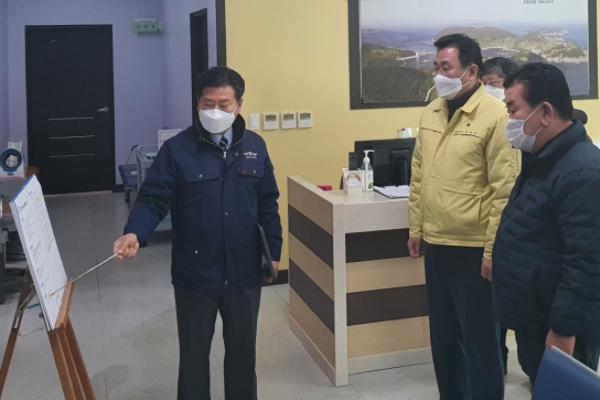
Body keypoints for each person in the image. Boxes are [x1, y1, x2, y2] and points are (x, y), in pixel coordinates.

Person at [113, 66, 282, 400]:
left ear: (239, 105)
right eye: (207, 104)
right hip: (195, 274)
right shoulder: (177, 150)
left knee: (243, 357)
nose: (215, 111)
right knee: (193, 358)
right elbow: (153, 199)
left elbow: (268, 204)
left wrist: (273, 253)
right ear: (197, 103)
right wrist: (135, 233)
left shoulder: (255, 146)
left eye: (224, 104)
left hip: (244, 272)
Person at [407, 34, 519, 400]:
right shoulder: (431, 112)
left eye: (446, 67)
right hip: (437, 243)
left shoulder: (496, 116)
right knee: (444, 341)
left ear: (471, 71)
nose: (438, 75)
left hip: (473, 248)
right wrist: (416, 227)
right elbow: (419, 174)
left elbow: (504, 189)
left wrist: (493, 250)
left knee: (481, 343)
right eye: (435, 67)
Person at [493, 62, 600, 384]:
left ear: (545, 112)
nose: (509, 120)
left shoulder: (582, 172)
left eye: (513, 109)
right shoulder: (542, 159)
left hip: (561, 326)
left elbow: (586, 262)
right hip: (535, 315)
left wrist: (563, 330)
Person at [480, 56, 520, 374]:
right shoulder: (488, 121)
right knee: (493, 307)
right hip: (495, 223)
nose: (487, 91)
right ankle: (498, 359)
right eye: (483, 84)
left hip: (517, 225)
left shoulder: (519, 125)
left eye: (492, 84)